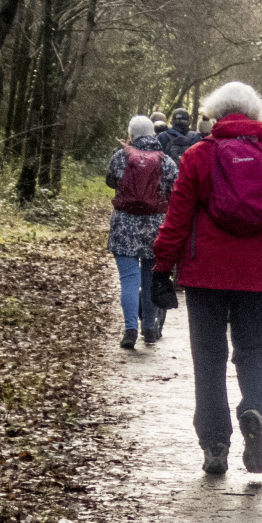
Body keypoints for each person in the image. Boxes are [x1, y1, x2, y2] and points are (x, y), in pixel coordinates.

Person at [151, 81, 262, 475]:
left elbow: (177, 219)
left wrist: (161, 269)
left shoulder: (197, 156)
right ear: (257, 115)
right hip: (259, 277)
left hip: (205, 274)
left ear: (215, 115)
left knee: (208, 360)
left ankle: (215, 444)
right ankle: (255, 408)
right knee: (255, 354)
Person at [106, 115, 177, 349]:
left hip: (124, 224)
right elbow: (172, 191)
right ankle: (149, 327)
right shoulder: (166, 161)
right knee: (149, 279)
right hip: (155, 226)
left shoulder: (120, 156)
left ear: (131, 134)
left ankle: (130, 329)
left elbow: (110, 181)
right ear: (153, 134)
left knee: (128, 280)